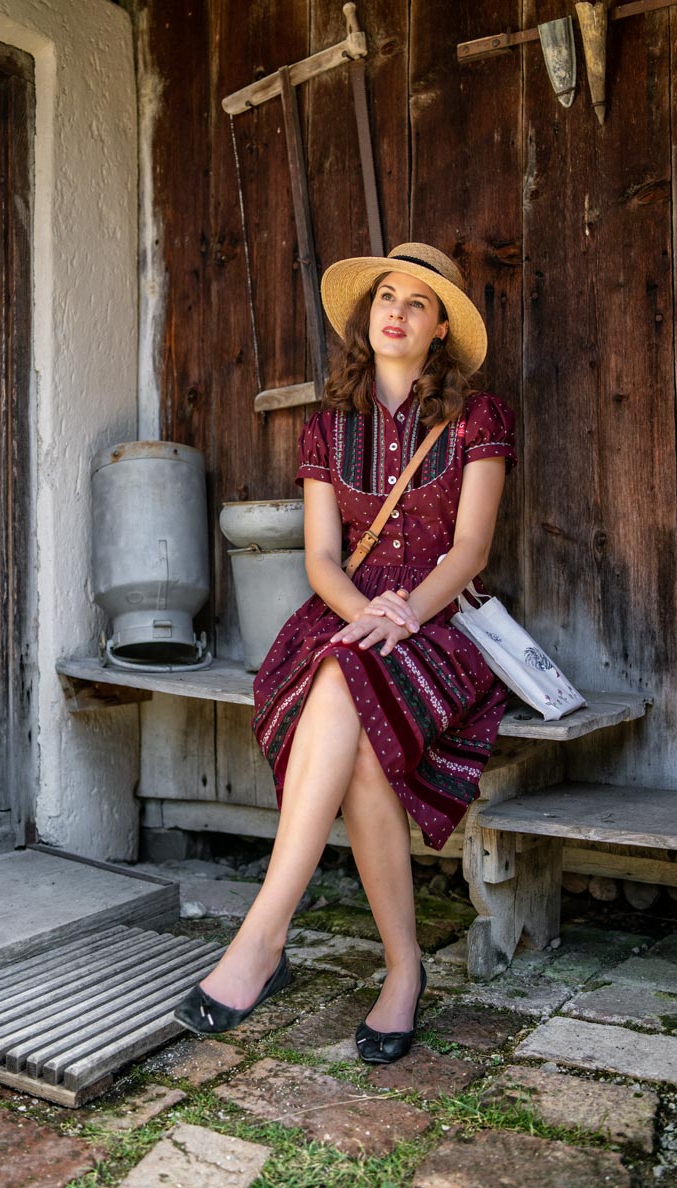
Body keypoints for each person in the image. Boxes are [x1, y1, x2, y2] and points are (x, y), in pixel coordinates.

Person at [174, 243, 516, 1063]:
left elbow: (468, 551)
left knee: (349, 675)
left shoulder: (478, 420)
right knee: (353, 708)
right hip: (347, 614)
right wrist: (368, 615)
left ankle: (263, 938)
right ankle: (402, 973)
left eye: (417, 303)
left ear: (439, 332)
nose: (395, 311)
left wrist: (404, 616)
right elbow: (322, 559)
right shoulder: (330, 426)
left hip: (441, 625)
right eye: (385, 297)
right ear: (370, 318)